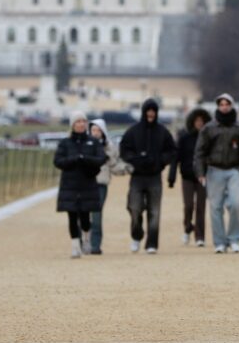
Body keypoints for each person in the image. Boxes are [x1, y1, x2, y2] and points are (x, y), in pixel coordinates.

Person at [194, 92, 239, 253]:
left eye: (227, 104)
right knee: (215, 208)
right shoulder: (209, 128)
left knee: (236, 204)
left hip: (234, 170)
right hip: (214, 170)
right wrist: (200, 172)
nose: (224, 107)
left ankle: (234, 239)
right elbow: (199, 152)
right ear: (218, 107)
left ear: (231, 106)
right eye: (221, 104)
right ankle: (220, 242)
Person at [119, 98, 176, 253]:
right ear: (144, 112)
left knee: (154, 211)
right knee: (134, 208)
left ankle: (152, 244)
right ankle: (136, 235)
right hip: (137, 176)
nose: (151, 114)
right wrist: (135, 159)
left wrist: (160, 161)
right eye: (148, 111)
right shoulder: (133, 131)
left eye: (153, 111)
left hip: (154, 176)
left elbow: (172, 150)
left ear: (156, 113)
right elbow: (124, 149)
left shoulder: (163, 132)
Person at [54, 111, 107, 258]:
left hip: (87, 183)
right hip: (69, 184)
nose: (81, 124)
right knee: (72, 215)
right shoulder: (65, 143)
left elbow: (101, 159)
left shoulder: (93, 142)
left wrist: (85, 159)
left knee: (85, 216)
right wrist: (73, 160)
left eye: (83, 121)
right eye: (78, 121)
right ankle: (75, 245)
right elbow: (58, 161)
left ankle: (86, 237)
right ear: (72, 125)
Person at [168, 107, 210, 247]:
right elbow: (176, 157)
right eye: (197, 121)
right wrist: (172, 176)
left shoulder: (208, 139)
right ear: (192, 122)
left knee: (201, 206)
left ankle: (200, 236)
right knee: (188, 205)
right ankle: (187, 227)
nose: (199, 123)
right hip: (187, 176)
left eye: (202, 121)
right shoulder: (184, 138)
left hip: (203, 176)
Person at [88, 118, 117, 255]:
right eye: (93, 130)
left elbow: (113, 163)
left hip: (101, 183)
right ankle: (83, 242)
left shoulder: (109, 146)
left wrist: (106, 149)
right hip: (86, 182)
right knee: (83, 214)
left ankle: (95, 245)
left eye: (98, 130)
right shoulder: (85, 145)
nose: (95, 133)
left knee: (97, 214)